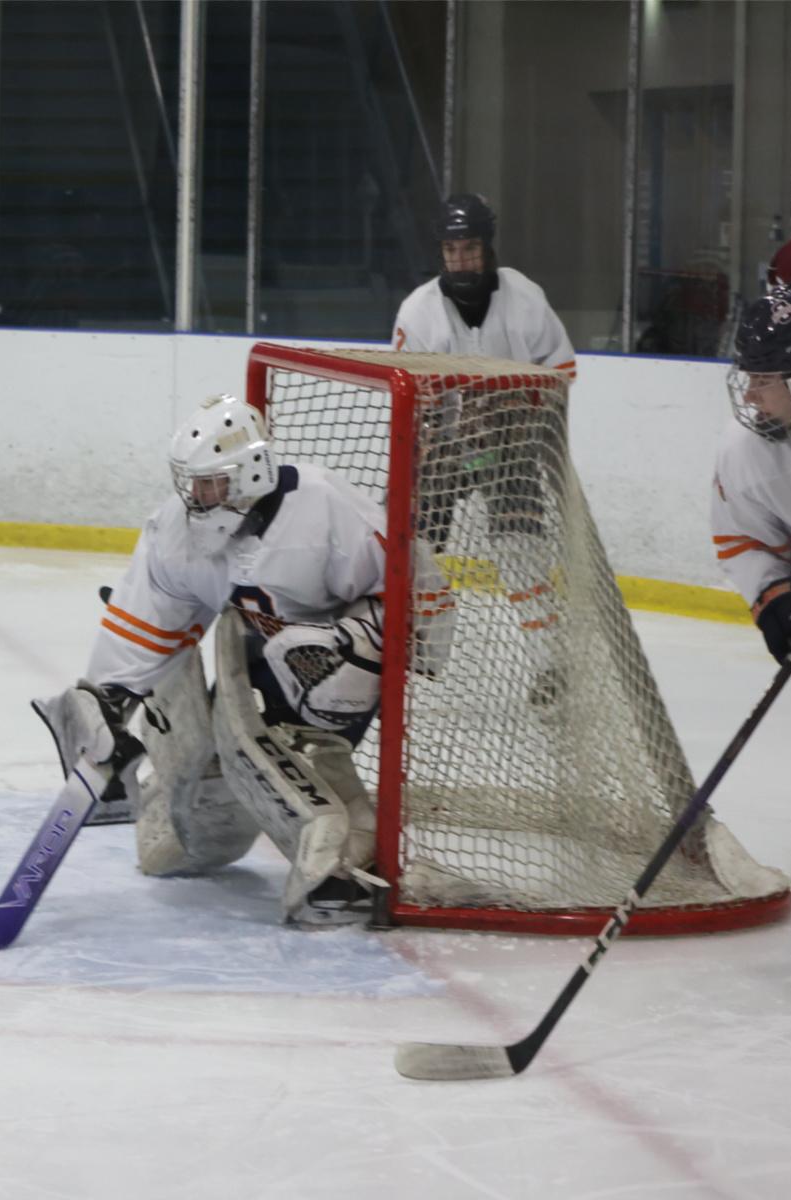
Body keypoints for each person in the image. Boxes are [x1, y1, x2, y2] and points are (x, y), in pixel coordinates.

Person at [33, 395, 453, 926]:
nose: (198, 497)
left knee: (317, 660)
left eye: (212, 483)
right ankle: (236, 782)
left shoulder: (327, 509)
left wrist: (365, 644)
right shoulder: (179, 532)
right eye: (192, 483)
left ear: (252, 472)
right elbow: (147, 617)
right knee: (187, 842)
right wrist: (104, 700)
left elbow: (420, 590)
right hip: (255, 665)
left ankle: (347, 854)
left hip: (329, 667)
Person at [391, 193, 576, 704]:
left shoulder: (526, 299)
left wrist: (511, 406)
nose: (461, 260)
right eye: (452, 251)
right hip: (447, 442)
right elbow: (408, 393)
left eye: (469, 248)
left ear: (487, 248)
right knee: (406, 537)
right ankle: (419, 640)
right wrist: (437, 430)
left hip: (513, 439)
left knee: (518, 549)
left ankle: (550, 662)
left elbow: (562, 371)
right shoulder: (418, 311)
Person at [712, 282, 791, 707]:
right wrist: (781, 600)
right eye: (749, 376)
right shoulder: (746, 451)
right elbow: (742, 541)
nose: (751, 395)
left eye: (765, 379)